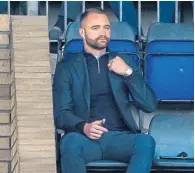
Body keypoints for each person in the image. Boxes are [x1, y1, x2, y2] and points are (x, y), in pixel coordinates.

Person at [53, 7, 157, 173]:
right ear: (82, 32)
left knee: (146, 142)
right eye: (95, 28)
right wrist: (84, 126)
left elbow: (149, 105)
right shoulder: (66, 68)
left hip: (119, 137)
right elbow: (61, 114)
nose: (103, 33)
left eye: (106, 27)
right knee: (69, 142)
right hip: (84, 139)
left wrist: (128, 73)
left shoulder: (124, 62)